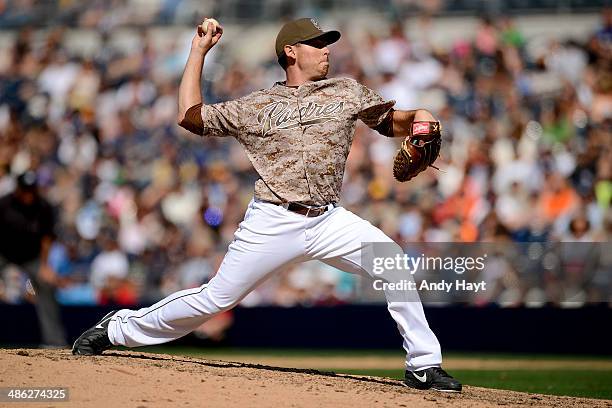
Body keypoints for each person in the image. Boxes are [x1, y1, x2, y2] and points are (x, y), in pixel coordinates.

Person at [72, 18, 461, 392]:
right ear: (290, 51)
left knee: (391, 262)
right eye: (318, 43)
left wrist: (420, 117)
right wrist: (197, 51)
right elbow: (190, 116)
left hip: (328, 219)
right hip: (273, 218)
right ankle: (118, 329)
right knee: (215, 300)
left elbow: (392, 121)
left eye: (327, 43)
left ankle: (424, 365)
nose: (326, 50)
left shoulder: (346, 91)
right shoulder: (257, 105)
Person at [0, 171, 67, 347]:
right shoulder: (4, 204)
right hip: (4, 256)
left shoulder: (43, 206)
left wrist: (46, 266)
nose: (29, 194)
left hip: (32, 258)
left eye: (31, 190)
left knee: (46, 283)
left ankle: (54, 342)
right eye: (25, 190)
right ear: (18, 190)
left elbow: (47, 239)